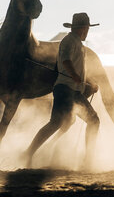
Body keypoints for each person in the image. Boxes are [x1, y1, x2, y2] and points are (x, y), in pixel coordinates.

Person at [24, 12, 100, 168]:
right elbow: (66, 61)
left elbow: (77, 68)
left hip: (71, 90)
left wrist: (88, 82)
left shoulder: (77, 43)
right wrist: (75, 76)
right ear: (83, 28)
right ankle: (88, 159)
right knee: (91, 120)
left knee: (57, 123)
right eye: (87, 28)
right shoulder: (69, 41)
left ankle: (29, 152)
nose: (87, 32)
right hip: (67, 90)